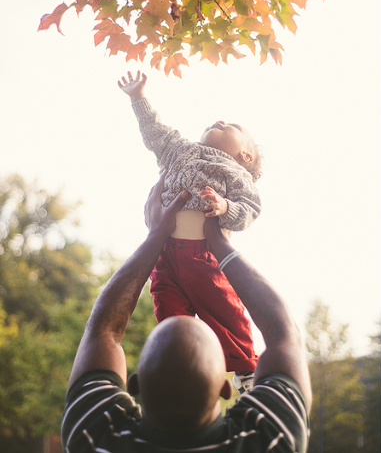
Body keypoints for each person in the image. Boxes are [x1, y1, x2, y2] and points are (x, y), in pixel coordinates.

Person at [61, 173, 310, 452]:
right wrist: (220, 245)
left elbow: (102, 331)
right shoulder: (270, 440)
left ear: (135, 384)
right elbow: (284, 334)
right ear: (224, 389)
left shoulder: (94, 437)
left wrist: (155, 237)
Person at [118, 71, 261, 391]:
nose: (221, 121)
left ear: (245, 156)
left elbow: (249, 209)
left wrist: (225, 206)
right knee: (168, 313)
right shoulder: (179, 149)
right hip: (165, 256)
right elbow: (155, 131)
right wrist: (138, 97)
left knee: (226, 311)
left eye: (234, 127)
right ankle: (171, 370)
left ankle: (245, 370)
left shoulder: (237, 174)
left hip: (205, 257)